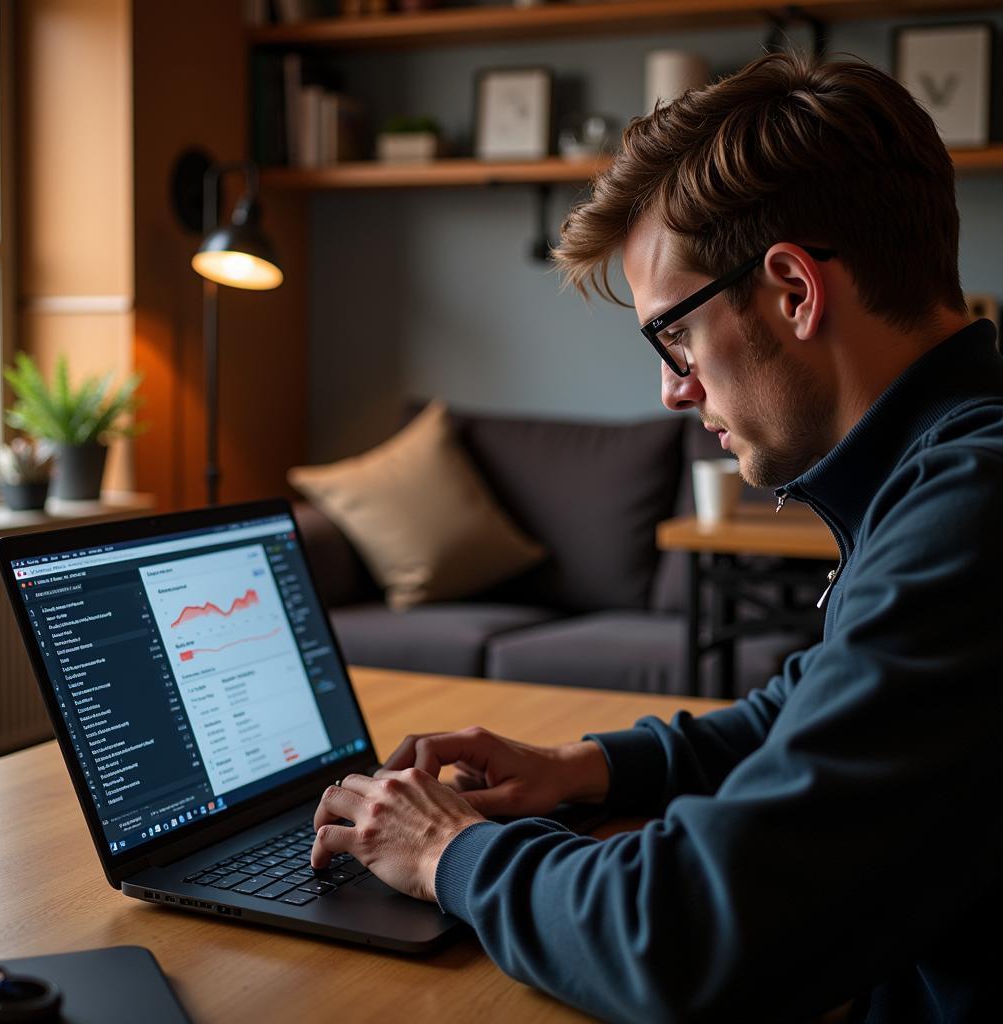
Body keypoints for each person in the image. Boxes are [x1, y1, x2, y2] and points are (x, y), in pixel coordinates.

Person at [310, 52, 1003, 1023]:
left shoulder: (971, 510)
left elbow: (686, 933)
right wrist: (583, 767)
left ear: (794, 291)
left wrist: (444, 851)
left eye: (672, 335)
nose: (671, 388)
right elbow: (812, 715)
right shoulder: (941, 470)